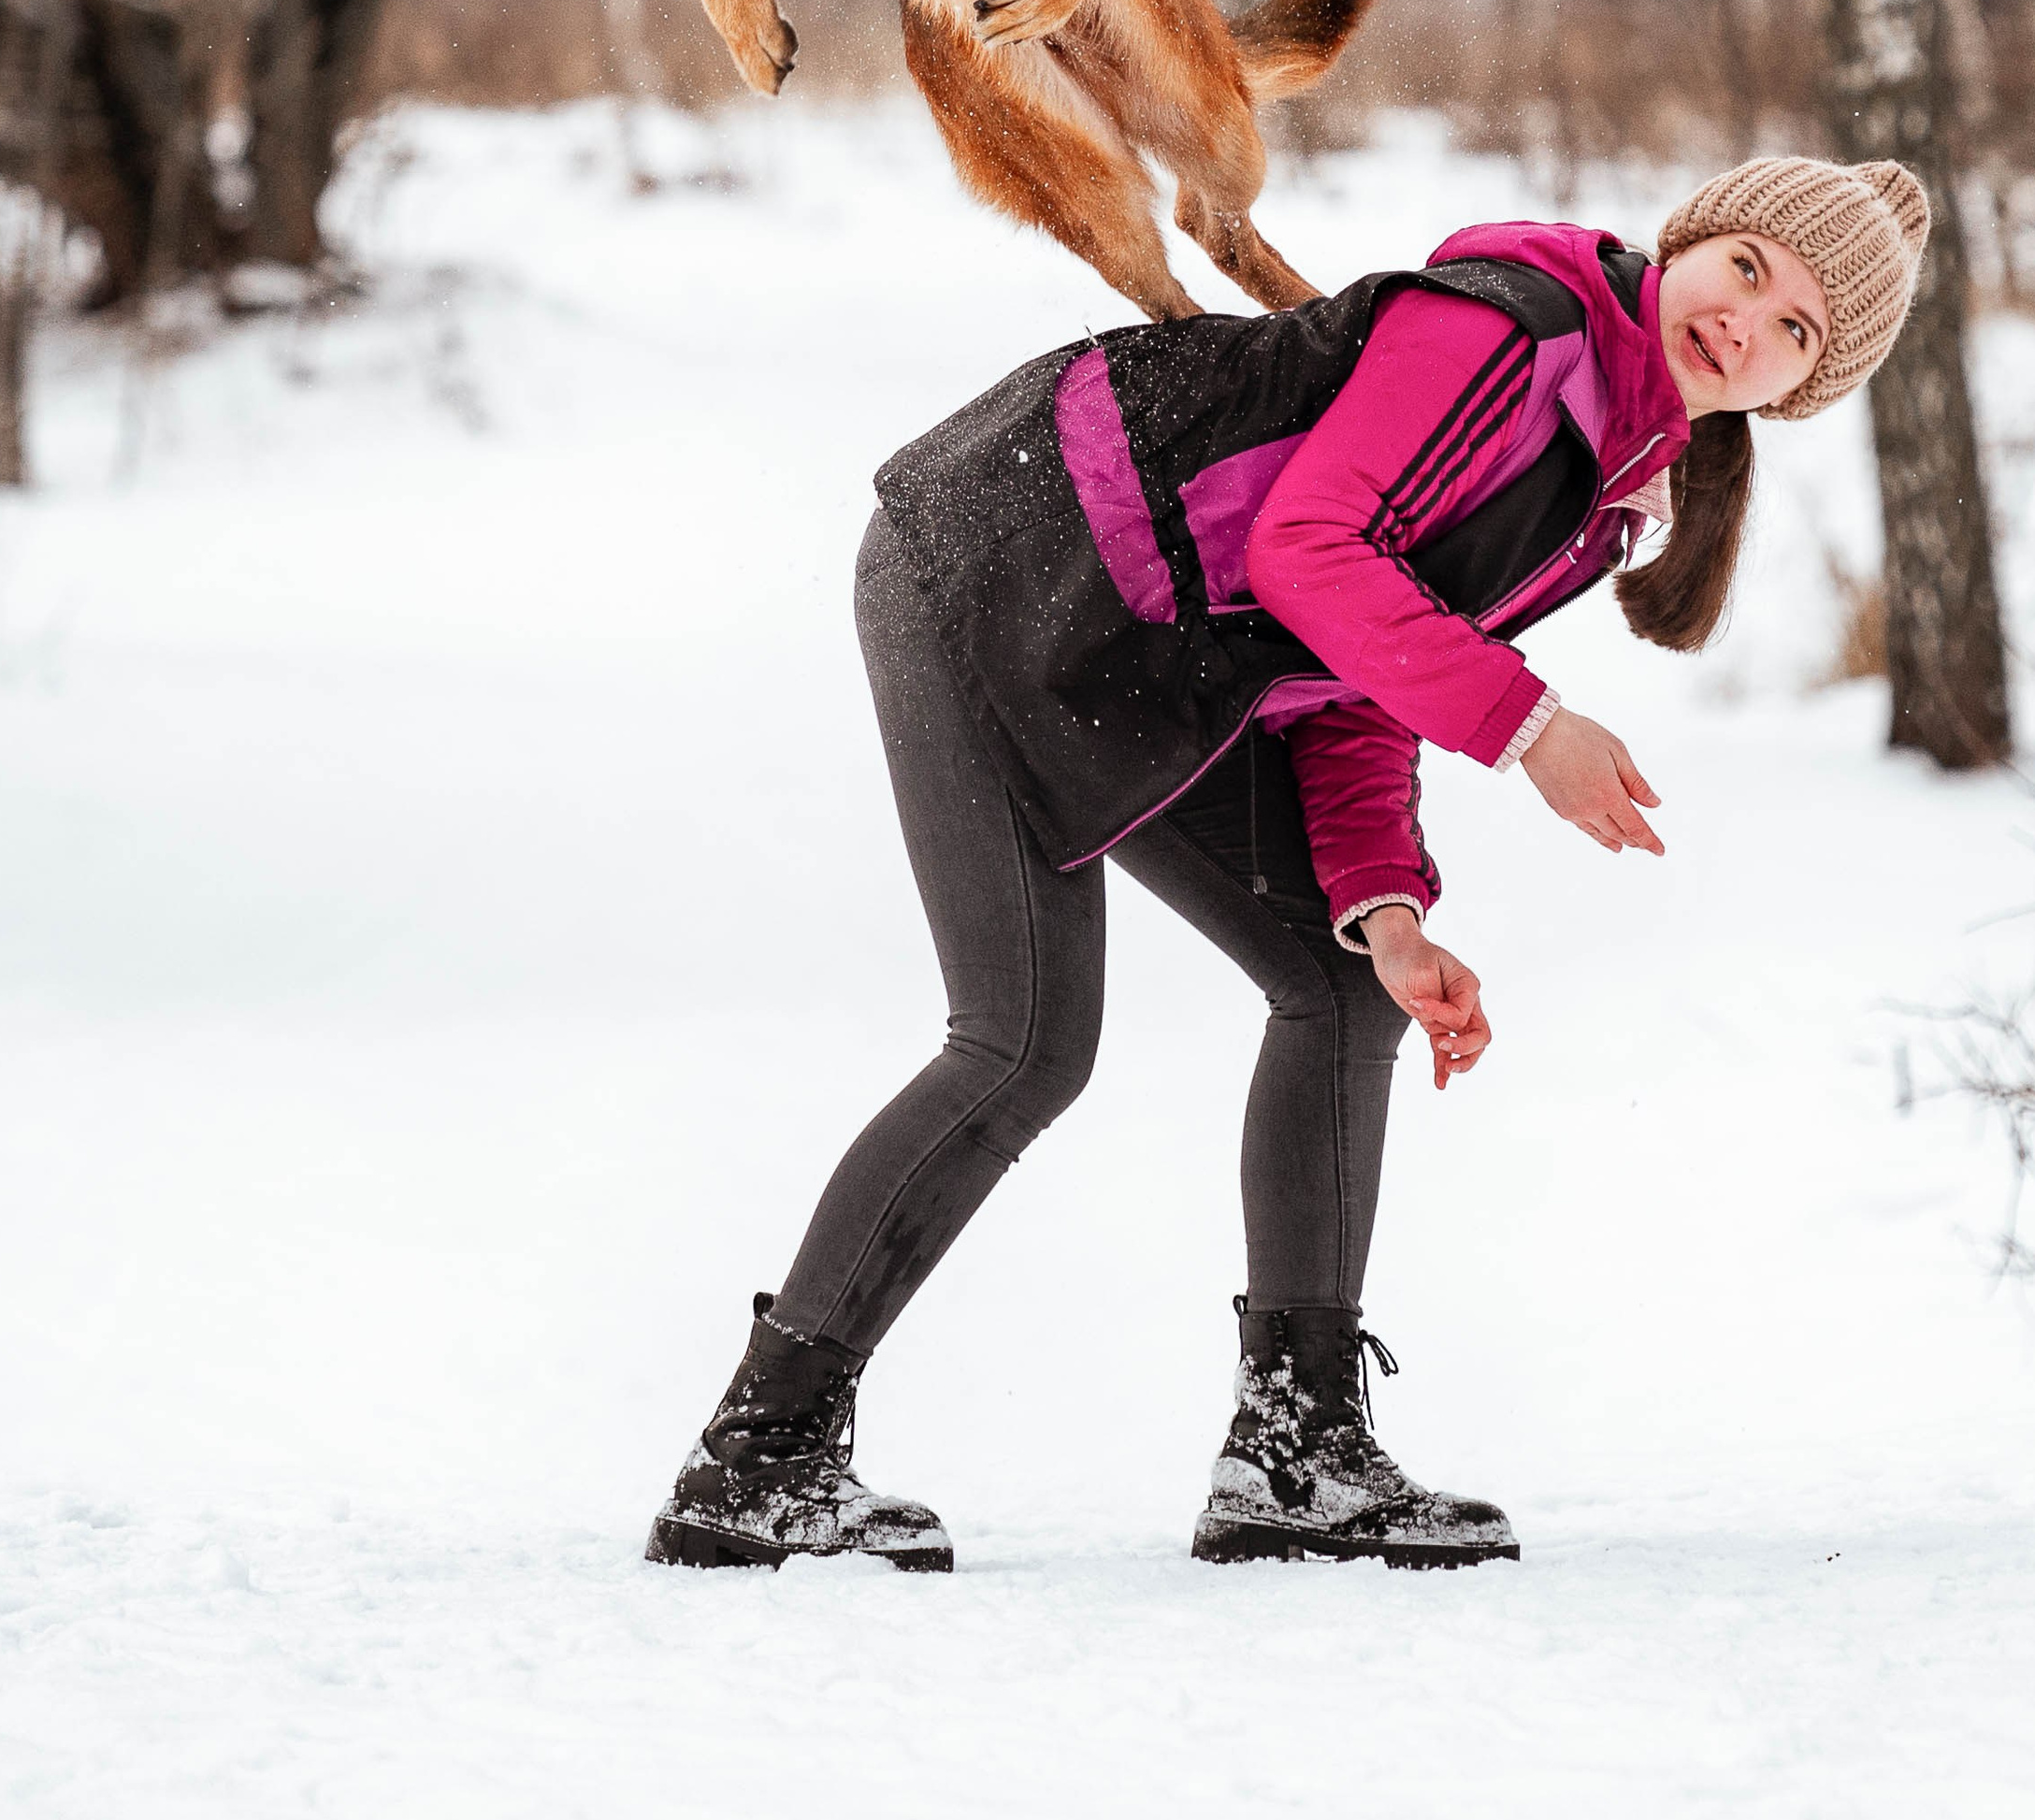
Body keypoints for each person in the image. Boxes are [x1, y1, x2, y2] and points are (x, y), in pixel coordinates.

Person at [645, 152, 1930, 1575]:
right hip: (1011, 561)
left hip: (1158, 642)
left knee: (1347, 985)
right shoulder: (1512, 327)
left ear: (1799, 392)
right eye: (1747, 267)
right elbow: (1309, 551)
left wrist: (1383, 907)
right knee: (1023, 1042)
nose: (1748, 322)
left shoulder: (1605, 491)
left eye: (1797, 329)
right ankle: (758, 1458)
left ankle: (1295, 1455)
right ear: (1691, 243)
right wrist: (1529, 727)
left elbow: (1359, 671)